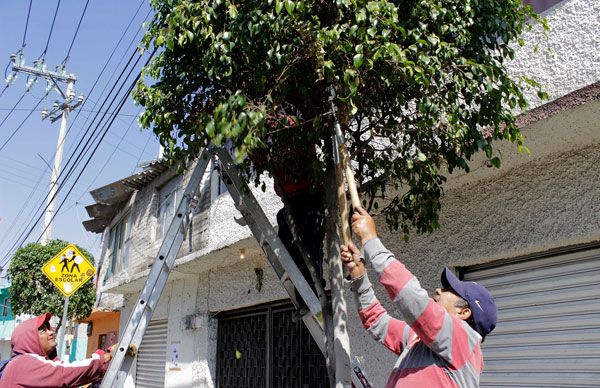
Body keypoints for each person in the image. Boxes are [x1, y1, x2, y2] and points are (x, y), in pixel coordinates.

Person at [340, 208, 498, 387]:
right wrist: (359, 275)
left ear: (464, 313)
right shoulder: (420, 340)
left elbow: (411, 297)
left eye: (448, 290)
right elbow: (377, 322)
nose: (438, 290)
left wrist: (371, 241)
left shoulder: (464, 341)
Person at [0, 312, 112, 387]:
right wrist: (104, 358)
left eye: (48, 328)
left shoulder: (31, 362)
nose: (51, 332)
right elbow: (64, 374)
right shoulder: (22, 363)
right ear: (29, 338)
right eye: (43, 330)